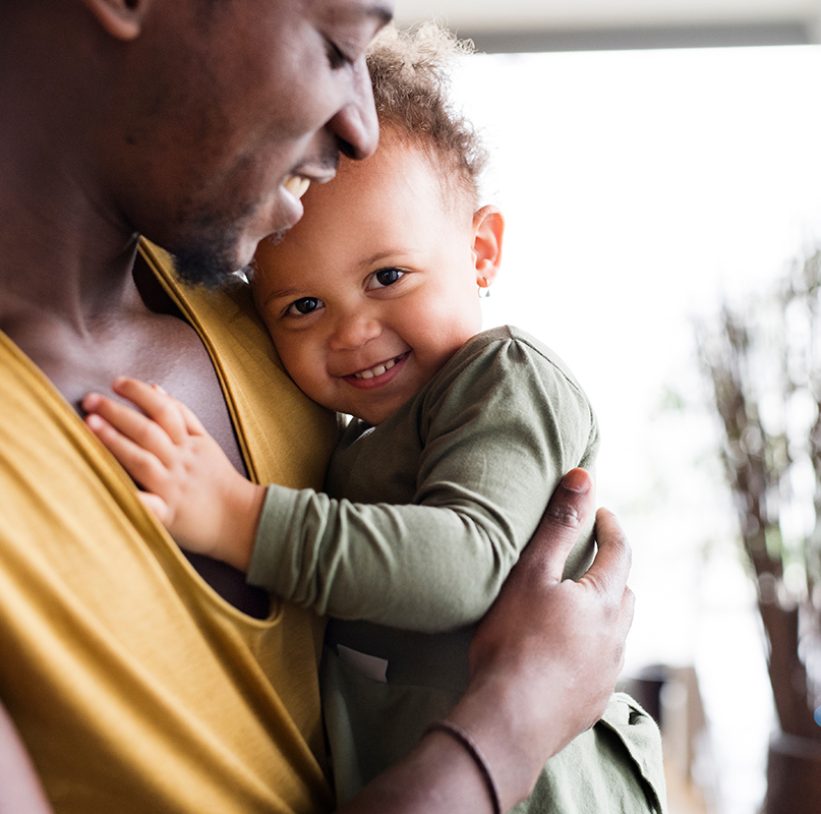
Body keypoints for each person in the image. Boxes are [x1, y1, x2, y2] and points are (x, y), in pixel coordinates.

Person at [0, 2, 635, 812]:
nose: (359, 127)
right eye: (336, 45)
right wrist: (521, 712)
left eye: (386, 278)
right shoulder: (272, 296)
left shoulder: (243, 297)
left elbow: (456, 556)